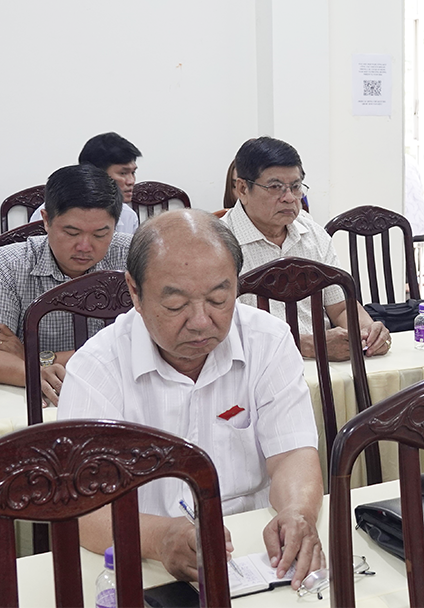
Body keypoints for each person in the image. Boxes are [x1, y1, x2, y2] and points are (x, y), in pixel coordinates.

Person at [57, 210, 322, 587]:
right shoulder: (97, 368)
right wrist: (159, 538)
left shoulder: (268, 341)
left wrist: (297, 512)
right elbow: (83, 509)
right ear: (134, 291)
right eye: (176, 305)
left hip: (256, 552)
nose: (200, 321)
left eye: (218, 298)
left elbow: (292, 454)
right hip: (140, 559)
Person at [222, 137, 390, 361]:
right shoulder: (218, 244)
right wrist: (308, 345)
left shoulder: (313, 233)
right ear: (243, 189)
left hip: (326, 366)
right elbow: (223, 331)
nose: (289, 198)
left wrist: (369, 332)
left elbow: (340, 307)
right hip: (258, 369)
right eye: (275, 187)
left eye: (295, 187)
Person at [0, 165, 131, 405]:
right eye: (71, 232)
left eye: (100, 234)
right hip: (40, 402)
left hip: (118, 396)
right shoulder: (9, 263)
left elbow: (150, 345)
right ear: (46, 220)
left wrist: (34, 357)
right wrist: (32, 374)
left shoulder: (132, 256)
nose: (84, 246)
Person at [33, 132, 142, 235]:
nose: (131, 181)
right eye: (123, 173)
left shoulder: (128, 216)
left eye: (133, 172)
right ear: (95, 174)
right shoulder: (52, 212)